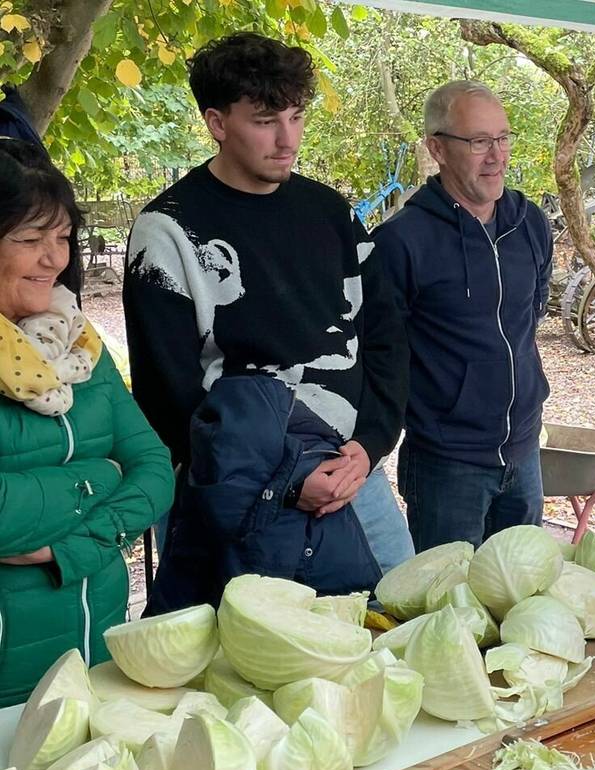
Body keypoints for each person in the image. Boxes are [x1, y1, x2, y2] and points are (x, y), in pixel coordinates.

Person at [122, 33, 411, 611]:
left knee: (400, 626)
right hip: (235, 490)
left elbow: (385, 336)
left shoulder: (330, 213)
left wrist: (370, 445)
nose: (287, 140)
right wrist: (281, 480)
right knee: (240, 664)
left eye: (297, 117)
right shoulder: (167, 232)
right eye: (264, 121)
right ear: (216, 122)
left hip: (352, 475)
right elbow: (167, 395)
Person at [0, 140, 174, 707]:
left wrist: (75, 546)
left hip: (92, 652)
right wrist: (100, 477)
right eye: (29, 240)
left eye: (61, 237)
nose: (55, 259)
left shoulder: (75, 345)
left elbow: (153, 470)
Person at [373, 80, 553, 552]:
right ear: (438, 148)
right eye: (478, 142)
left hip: (524, 452)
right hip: (445, 464)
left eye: (503, 138)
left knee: (522, 600)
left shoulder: (528, 222)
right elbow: (379, 353)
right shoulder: (401, 241)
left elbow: (529, 314)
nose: (496, 155)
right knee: (448, 611)